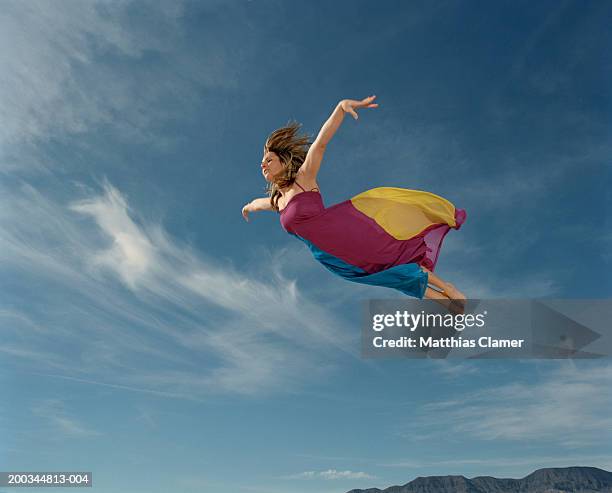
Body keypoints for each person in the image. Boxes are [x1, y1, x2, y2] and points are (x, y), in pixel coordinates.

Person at [242, 95, 467, 314]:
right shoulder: (278, 202)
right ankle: (444, 303)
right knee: (385, 275)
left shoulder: (304, 178)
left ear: (283, 161)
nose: (263, 164)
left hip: (345, 233)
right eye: (261, 162)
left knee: (390, 258)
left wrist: (340, 108)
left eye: (269, 159)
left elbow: (320, 144)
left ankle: (448, 288)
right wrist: (247, 208)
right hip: (329, 256)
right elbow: (258, 204)